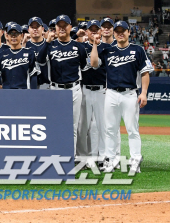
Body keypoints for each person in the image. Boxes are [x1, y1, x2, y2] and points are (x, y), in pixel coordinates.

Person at [90, 21, 152, 175]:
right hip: (111, 94)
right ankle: (110, 160)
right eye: (117, 31)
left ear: (129, 32)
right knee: (109, 129)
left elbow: (145, 72)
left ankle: (135, 160)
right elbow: (93, 64)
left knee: (132, 129)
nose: (120, 33)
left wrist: (143, 93)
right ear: (114, 33)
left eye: (122, 30)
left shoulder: (137, 50)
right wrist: (95, 45)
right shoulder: (108, 50)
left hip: (130, 94)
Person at [36, 14, 89, 153]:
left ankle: (69, 158)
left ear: (70, 27)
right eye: (59, 26)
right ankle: (56, 155)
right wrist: (47, 42)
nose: (62, 28)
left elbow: (85, 67)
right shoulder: (50, 45)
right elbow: (40, 61)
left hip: (74, 89)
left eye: (65, 25)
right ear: (55, 28)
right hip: (55, 89)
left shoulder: (79, 47)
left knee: (72, 127)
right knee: (55, 125)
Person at [79, 20, 110, 167]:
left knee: (102, 126)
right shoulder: (80, 47)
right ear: (86, 32)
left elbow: (95, 64)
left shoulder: (106, 48)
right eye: (90, 30)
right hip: (84, 89)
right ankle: (82, 158)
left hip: (100, 90)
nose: (93, 32)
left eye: (96, 30)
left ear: (100, 31)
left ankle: (102, 158)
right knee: (83, 126)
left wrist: (96, 45)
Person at [0, 23, 39, 89]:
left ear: (21, 35)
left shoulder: (30, 53)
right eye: (11, 34)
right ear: (7, 36)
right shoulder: (1, 54)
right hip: (6, 92)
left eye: (16, 34)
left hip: (23, 92)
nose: (13, 36)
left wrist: (33, 93)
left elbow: (33, 76)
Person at [26, 17, 50, 90]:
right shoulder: (25, 45)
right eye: (32, 27)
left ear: (42, 29)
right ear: (28, 30)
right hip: (29, 85)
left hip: (47, 84)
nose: (35, 29)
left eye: (37, 26)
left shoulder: (49, 44)